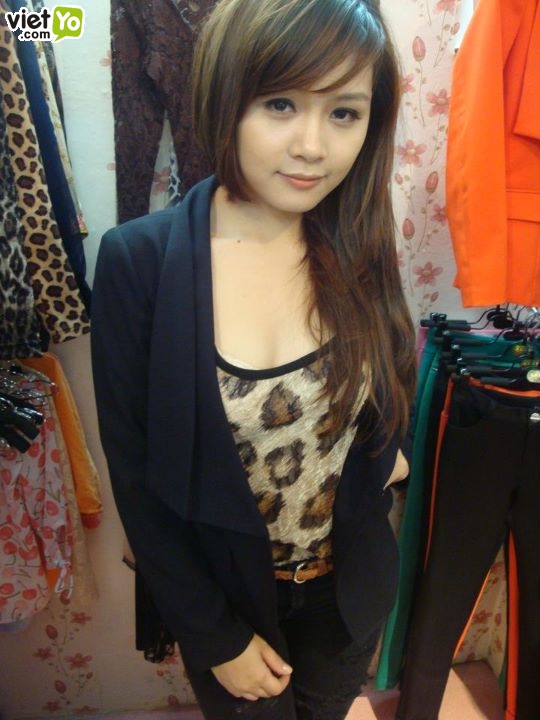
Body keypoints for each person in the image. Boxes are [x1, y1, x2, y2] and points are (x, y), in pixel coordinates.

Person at [91, 0, 416, 718]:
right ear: (228, 98)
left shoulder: (358, 237)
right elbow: (137, 477)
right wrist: (214, 636)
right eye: (280, 104)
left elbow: (395, 366)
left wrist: (393, 451)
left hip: (348, 598)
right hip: (231, 608)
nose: (312, 146)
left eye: (344, 113)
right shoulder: (139, 262)